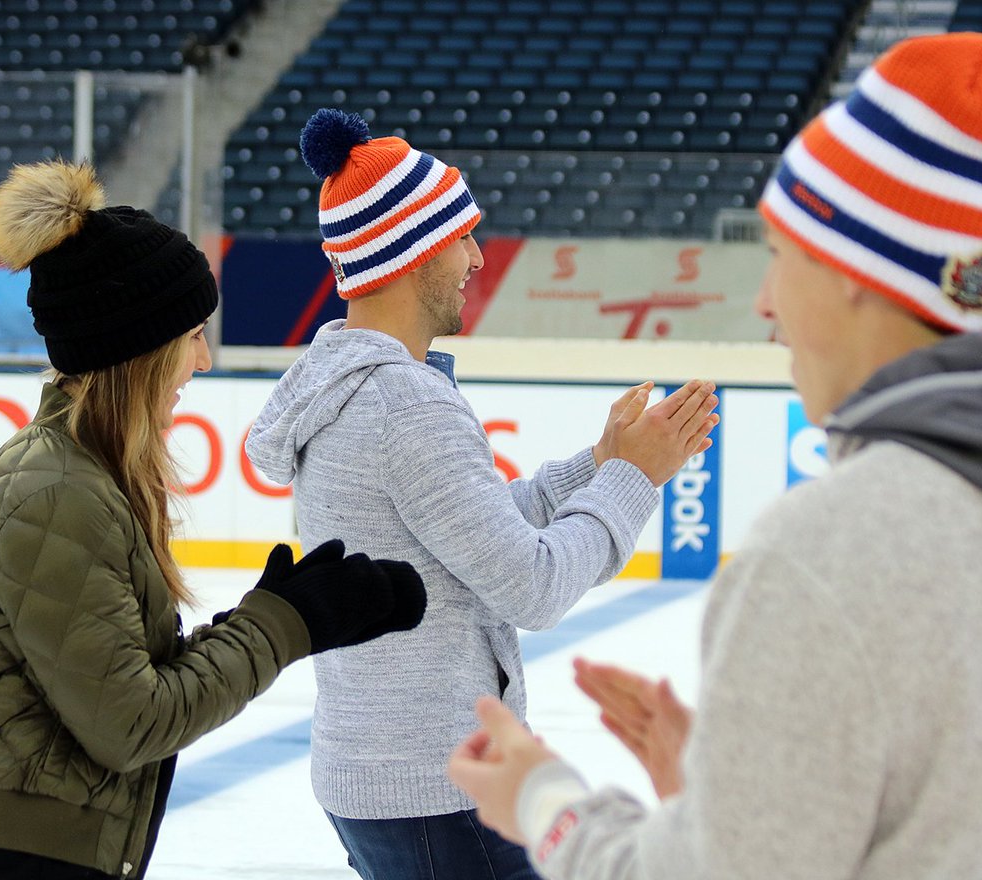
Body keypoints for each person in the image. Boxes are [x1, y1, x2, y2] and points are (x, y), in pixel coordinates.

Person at [448, 31, 982, 880]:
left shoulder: (826, 549)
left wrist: (547, 806)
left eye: (780, 255)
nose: (765, 302)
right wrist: (742, 793)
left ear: (855, 268)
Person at [244, 109, 720, 880]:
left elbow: (477, 535)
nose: (475, 256)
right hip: (436, 789)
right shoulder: (406, 406)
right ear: (412, 252)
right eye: (461, 236)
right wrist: (637, 478)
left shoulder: (352, 388)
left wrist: (601, 461)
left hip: (382, 774)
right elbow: (532, 586)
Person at [0, 160, 428, 880]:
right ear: (136, 349)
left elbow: (117, 678)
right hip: (13, 858)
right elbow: (132, 723)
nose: (202, 360)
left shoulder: (86, 479)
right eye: (193, 334)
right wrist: (284, 625)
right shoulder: (52, 493)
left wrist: (264, 616)